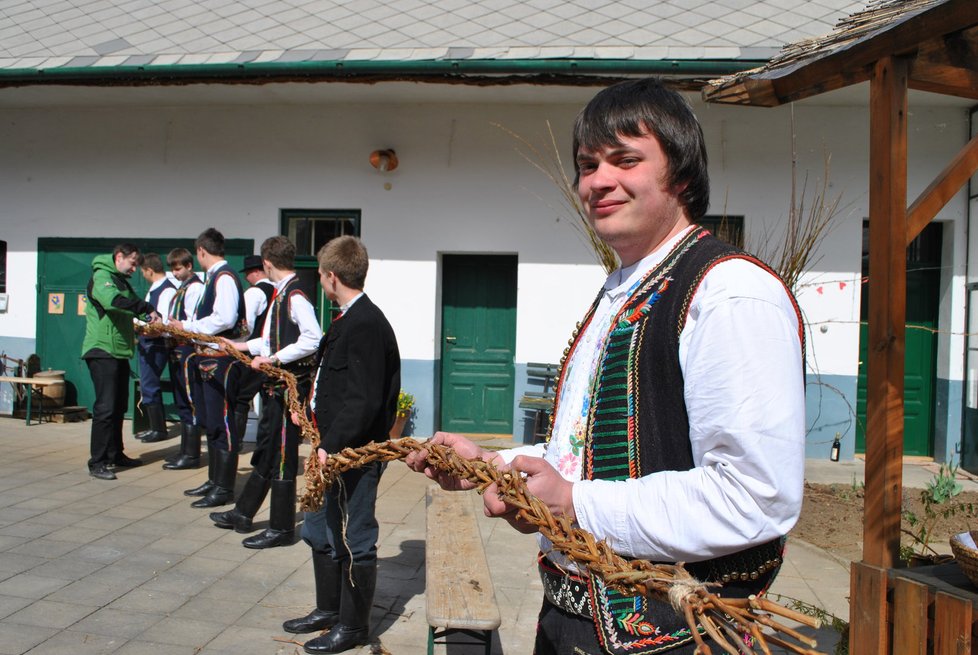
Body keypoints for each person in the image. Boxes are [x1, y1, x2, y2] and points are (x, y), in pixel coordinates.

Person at [407, 78, 806, 655]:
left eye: (625, 159)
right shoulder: (621, 291)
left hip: (676, 637)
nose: (598, 180)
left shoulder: (730, 292)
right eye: (587, 164)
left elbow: (755, 496)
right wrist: (493, 467)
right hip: (571, 620)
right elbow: (582, 456)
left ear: (682, 175)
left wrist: (573, 504)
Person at [282, 236, 400, 654]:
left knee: (354, 535)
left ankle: (353, 628)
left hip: (354, 455)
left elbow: (364, 400)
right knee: (320, 529)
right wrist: (309, 413)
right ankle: (328, 609)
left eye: (321, 274)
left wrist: (330, 444)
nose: (321, 280)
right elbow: (335, 384)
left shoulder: (365, 322)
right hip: (329, 448)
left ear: (331, 276)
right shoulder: (347, 317)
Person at [212, 236, 322, 549]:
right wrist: (242, 346)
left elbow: (313, 338)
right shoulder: (280, 294)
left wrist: (273, 360)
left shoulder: (295, 295)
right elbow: (272, 340)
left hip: (288, 390)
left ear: (268, 263)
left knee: (284, 454)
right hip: (275, 389)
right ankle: (243, 513)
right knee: (267, 449)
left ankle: (282, 528)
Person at [168, 228, 246, 508]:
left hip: (220, 360)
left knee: (221, 423)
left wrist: (188, 326)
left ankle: (224, 488)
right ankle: (215, 480)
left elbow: (224, 318)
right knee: (212, 422)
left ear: (201, 251)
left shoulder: (223, 277)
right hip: (208, 358)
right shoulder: (214, 277)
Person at [81, 243, 161, 480]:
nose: (135, 269)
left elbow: (133, 307)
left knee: (119, 406)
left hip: (118, 350)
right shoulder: (102, 277)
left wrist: (148, 318)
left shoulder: (120, 280)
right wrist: (145, 308)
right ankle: (97, 462)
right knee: (105, 408)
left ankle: (115, 454)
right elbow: (113, 302)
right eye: (133, 263)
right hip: (102, 350)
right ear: (119, 257)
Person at [227, 254, 276, 466]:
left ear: (255, 272)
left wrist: (236, 346)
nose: (247, 278)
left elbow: (245, 327)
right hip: (272, 354)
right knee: (269, 400)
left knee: (240, 398)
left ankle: (234, 443)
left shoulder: (255, 292)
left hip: (252, 352)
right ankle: (267, 448)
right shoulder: (277, 291)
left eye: (248, 274)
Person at [162, 247, 205, 470]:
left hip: (187, 349)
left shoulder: (195, 288)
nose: (175, 273)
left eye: (178, 268)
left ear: (189, 266)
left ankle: (191, 454)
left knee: (190, 400)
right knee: (182, 399)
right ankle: (185, 450)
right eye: (173, 269)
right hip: (176, 347)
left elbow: (190, 321)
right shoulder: (182, 288)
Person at [134, 252, 177, 444]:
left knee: (150, 383)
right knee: (147, 383)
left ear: (149, 270)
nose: (142, 274)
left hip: (156, 343)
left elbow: (163, 321)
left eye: (143, 271)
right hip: (149, 341)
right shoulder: (156, 288)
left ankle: (158, 429)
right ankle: (154, 427)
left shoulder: (166, 290)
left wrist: (142, 327)